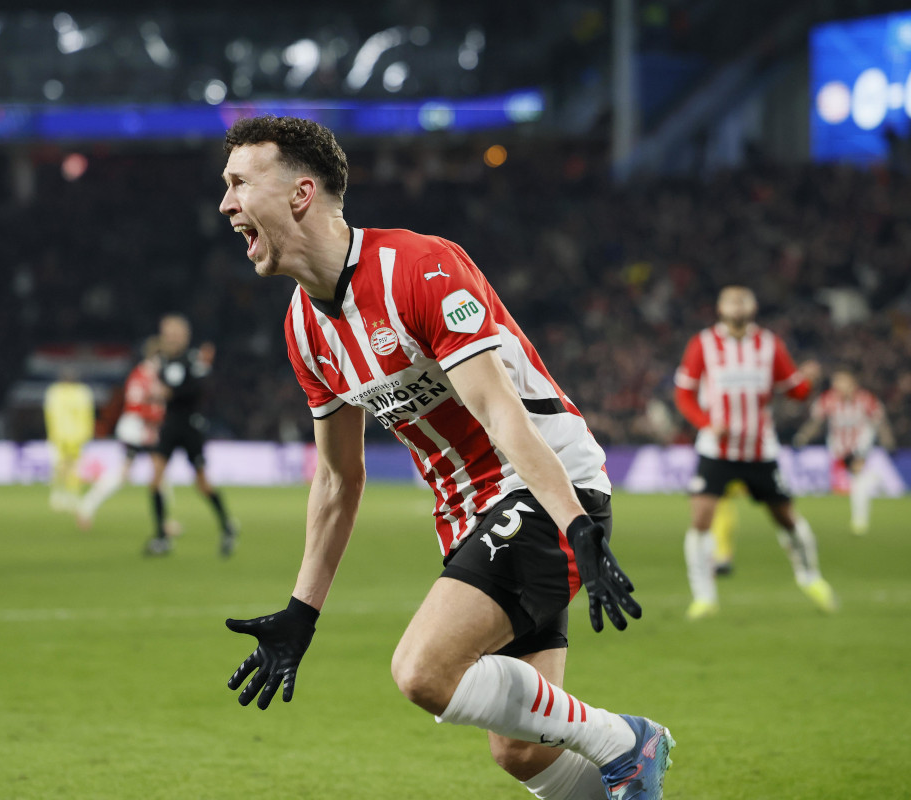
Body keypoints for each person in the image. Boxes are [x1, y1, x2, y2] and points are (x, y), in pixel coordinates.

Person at [217, 115, 672, 800]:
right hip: (468, 518)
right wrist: (301, 611)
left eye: (238, 183)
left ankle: (628, 742)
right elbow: (338, 478)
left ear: (300, 193)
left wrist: (577, 523)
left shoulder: (418, 267)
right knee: (521, 751)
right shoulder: (305, 329)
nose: (226, 204)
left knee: (422, 671)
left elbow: (499, 413)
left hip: (542, 486)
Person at [674, 286, 835, 619]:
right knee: (701, 518)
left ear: (754, 306)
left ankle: (811, 577)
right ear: (720, 307)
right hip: (716, 450)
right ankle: (704, 596)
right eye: (731, 300)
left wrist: (809, 380)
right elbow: (684, 394)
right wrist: (706, 423)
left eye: (743, 300)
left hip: (760, 450)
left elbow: (795, 391)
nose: (737, 305)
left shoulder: (770, 344)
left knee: (786, 517)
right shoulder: (703, 344)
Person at [145, 314, 238, 558]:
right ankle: (161, 537)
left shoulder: (193, 361)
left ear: (185, 336)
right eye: (167, 334)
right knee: (155, 479)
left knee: (202, 483)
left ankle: (227, 526)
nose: (171, 338)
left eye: (175, 334)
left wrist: (171, 393)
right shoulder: (164, 361)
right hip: (169, 425)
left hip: (190, 426)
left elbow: (199, 390)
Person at [77, 339, 167, 529]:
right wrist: (157, 416)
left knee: (155, 472)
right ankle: (86, 506)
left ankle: (164, 521)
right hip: (138, 431)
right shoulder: (144, 376)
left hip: (143, 430)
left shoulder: (149, 374)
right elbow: (135, 406)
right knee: (132, 473)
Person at [794, 370, 895, 535]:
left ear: (852, 383)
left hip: (859, 447)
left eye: (841, 382)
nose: (837, 386)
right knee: (857, 481)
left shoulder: (866, 399)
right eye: (835, 383)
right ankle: (875, 481)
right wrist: (803, 436)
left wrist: (887, 441)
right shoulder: (828, 399)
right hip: (838, 449)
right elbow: (816, 421)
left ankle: (859, 520)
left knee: (857, 480)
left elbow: (879, 421)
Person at [43, 367, 95, 513]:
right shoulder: (82, 393)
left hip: (62, 435)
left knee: (63, 465)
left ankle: (62, 494)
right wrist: (88, 433)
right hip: (73, 435)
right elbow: (87, 415)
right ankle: (66, 494)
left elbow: (49, 414)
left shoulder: (55, 392)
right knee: (69, 465)